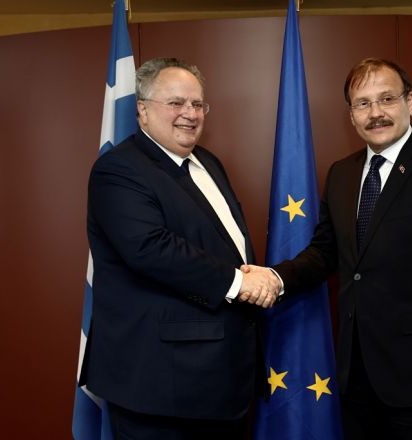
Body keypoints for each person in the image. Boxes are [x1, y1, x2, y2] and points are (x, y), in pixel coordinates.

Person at [245, 57, 412, 439]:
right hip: (354, 376)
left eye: (386, 99)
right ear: (352, 115)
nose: (375, 113)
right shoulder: (342, 173)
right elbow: (325, 253)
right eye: (363, 103)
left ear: (410, 102)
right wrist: (275, 277)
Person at [79, 57, 280, 440]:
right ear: (142, 109)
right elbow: (150, 248)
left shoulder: (208, 163)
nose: (189, 113)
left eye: (197, 104)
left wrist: (250, 274)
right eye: (175, 103)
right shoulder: (119, 169)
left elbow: (222, 245)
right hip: (161, 385)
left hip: (222, 380)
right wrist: (239, 283)